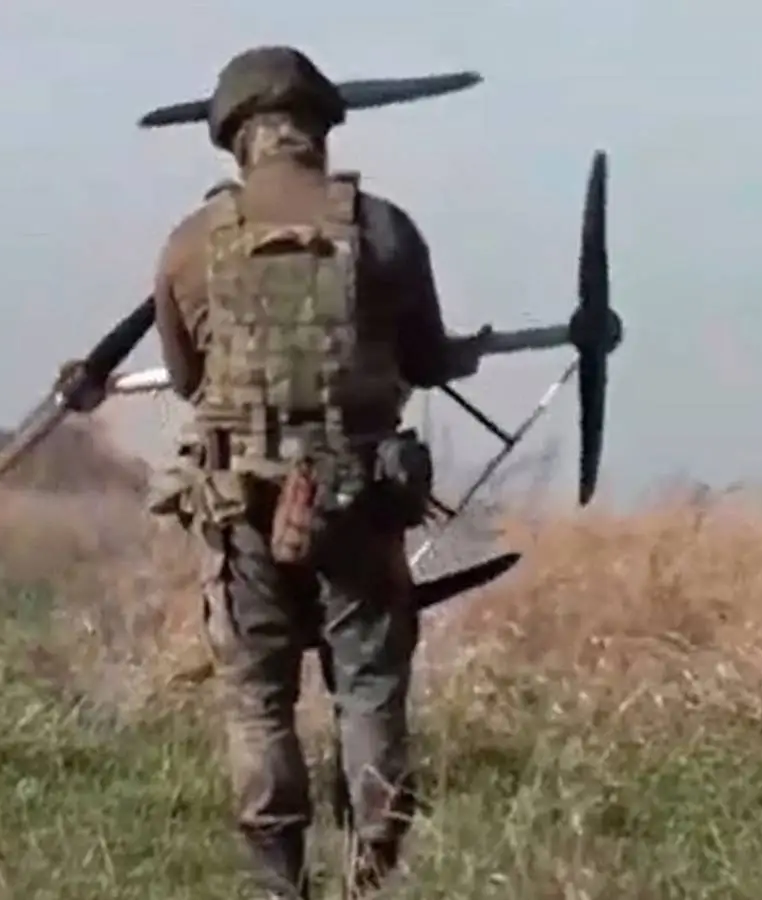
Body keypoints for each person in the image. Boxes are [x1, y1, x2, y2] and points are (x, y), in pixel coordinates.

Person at [146, 45, 488, 899]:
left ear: (235, 139)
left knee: (259, 699)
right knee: (369, 688)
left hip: (238, 509)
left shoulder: (189, 246)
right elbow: (427, 359)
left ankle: (278, 884)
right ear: (321, 131)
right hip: (360, 499)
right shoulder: (385, 230)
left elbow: (187, 381)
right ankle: (373, 876)